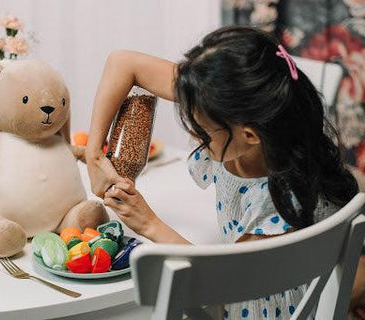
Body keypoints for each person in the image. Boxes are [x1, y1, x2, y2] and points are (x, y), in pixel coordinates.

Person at [85, 26, 359, 319]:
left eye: (202, 131)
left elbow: (222, 283)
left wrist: (149, 224)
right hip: (246, 272)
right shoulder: (226, 105)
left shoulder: (276, 205)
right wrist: (93, 153)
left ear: (249, 136)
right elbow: (122, 62)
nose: (192, 131)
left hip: (264, 304)